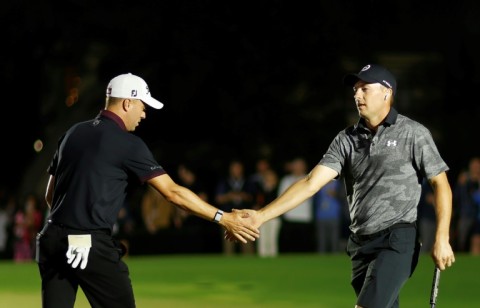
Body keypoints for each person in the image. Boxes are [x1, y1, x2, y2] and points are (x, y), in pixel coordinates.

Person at [232, 64, 455, 307]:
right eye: (355, 89)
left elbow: (440, 183)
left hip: (397, 238)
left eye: (364, 89)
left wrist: (442, 237)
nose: (356, 95)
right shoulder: (346, 139)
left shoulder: (413, 133)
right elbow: (310, 183)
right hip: (360, 244)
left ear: (386, 92)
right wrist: (261, 216)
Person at [36, 73, 259, 308]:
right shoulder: (128, 144)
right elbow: (172, 192)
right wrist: (223, 217)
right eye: (143, 107)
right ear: (127, 103)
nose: (144, 114)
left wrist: (71, 230)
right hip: (88, 243)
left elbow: (51, 195)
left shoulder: (72, 133)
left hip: (50, 240)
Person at [214, 159, 256, 255]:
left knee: (247, 245)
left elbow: (253, 197)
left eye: (238, 168)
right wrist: (229, 196)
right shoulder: (224, 182)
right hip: (227, 216)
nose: (236, 170)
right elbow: (218, 199)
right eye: (234, 168)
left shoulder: (248, 182)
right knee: (228, 246)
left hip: (245, 218)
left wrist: (243, 196)